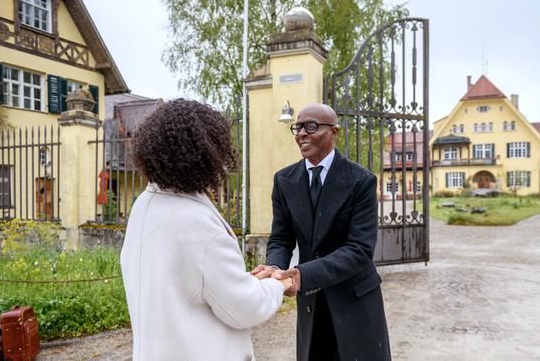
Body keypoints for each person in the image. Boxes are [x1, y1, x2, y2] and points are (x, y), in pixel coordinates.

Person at [121, 99, 293, 361]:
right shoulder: (197, 223)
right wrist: (279, 283)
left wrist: (244, 280)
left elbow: (187, 281)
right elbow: (245, 308)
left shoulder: (144, 205)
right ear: (205, 154)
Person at [251, 103, 391, 360]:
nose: (301, 133)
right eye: (298, 127)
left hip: (355, 299)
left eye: (311, 126)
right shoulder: (284, 180)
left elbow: (359, 250)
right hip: (312, 302)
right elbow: (282, 238)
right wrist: (274, 267)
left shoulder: (361, 180)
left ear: (334, 132)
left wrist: (304, 274)